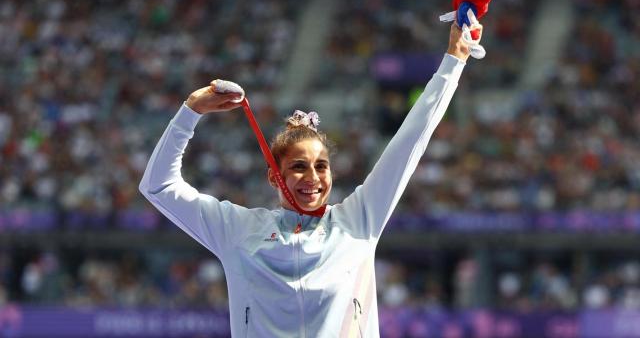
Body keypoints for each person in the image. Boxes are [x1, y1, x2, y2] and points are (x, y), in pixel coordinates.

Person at [139, 23, 478, 337]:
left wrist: (454, 60)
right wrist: (191, 111)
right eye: (299, 167)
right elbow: (158, 186)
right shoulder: (238, 230)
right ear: (275, 176)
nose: (313, 178)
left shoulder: (359, 221)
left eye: (321, 166)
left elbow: (410, 141)